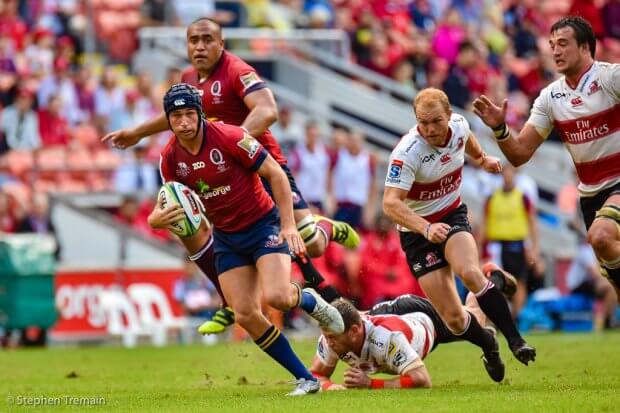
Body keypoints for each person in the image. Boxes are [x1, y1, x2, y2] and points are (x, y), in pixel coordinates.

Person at [102, 17, 357, 333]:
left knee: (312, 245)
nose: (200, 46)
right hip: (222, 173)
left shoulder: (237, 70)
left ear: (221, 44)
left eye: (207, 39)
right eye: (194, 40)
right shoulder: (187, 78)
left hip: (262, 166)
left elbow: (268, 110)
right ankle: (228, 300)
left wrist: (230, 145)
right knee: (194, 230)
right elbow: (177, 115)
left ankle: (325, 227)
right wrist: (138, 133)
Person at [149, 83, 344, 396]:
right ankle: (306, 379)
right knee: (245, 314)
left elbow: (277, 175)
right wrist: (154, 220)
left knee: (278, 297)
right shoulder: (170, 159)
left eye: (189, 114)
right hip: (226, 237)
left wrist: (289, 224)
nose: (183, 122)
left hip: (263, 225)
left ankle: (310, 301)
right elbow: (168, 203)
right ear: (168, 119)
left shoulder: (230, 136)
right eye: (176, 116)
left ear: (199, 114)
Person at [382, 88, 536, 384]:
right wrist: (425, 228)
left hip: (451, 216)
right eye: (422, 122)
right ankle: (489, 345)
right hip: (417, 234)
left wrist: (482, 158)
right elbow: (390, 203)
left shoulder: (460, 127)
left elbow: (467, 140)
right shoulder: (407, 152)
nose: (429, 130)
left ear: (449, 116)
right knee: (454, 320)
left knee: (468, 272)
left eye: (436, 121)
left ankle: (516, 341)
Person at [472, 16, 620, 302]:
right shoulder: (550, 98)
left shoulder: (610, 78)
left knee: (601, 236)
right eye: (552, 45)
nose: (555, 51)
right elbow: (519, 154)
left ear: (586, 47)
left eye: (563, 44)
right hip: (591, 196)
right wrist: (500, 129)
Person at [310, 278, 514, 390]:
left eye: (332, 338)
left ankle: (486, 280)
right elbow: (316, 374)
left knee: (473, 322)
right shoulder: (333, 334)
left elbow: (422, 379)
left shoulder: (387, 339)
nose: (328, 343)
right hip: (381, 316)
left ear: (354, 332)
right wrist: (329, 387)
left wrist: (372, 384)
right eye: (326, 336)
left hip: (424, 319)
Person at [479, 163, 541, 318]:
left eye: (510, 173)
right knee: (493, 282)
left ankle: (516, 318)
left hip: (516, 244)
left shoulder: (522, 197)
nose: (507, 177)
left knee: (518, 282)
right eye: (505, 174)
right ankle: (497, 318)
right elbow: (484, 224)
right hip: (496, 245)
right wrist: (479, 249)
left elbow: (533, 224)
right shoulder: (492, 198)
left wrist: (534, 249)